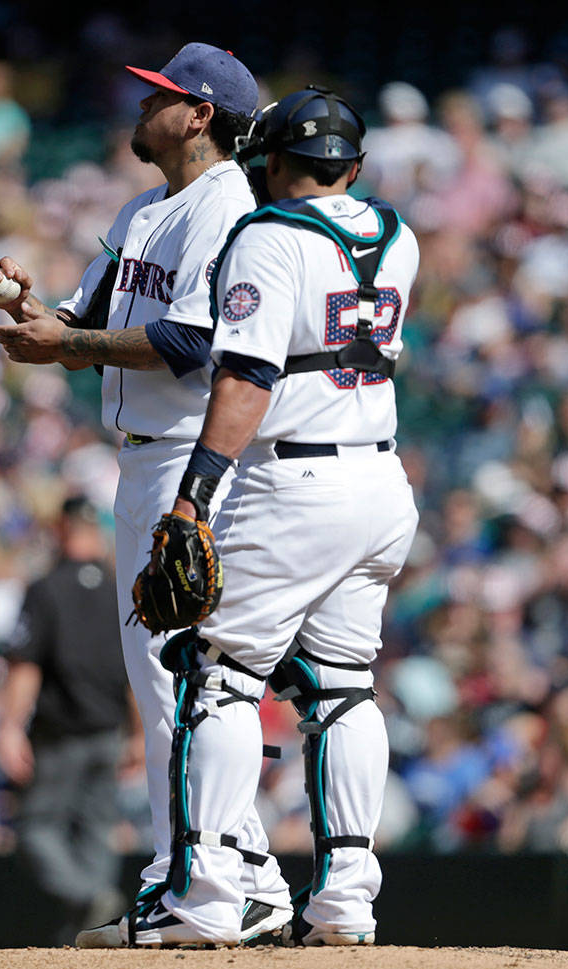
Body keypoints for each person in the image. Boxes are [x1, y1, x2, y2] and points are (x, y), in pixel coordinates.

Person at [0, 42, 293, 947]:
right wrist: (34, 315)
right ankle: (242, 871)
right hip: (142, 458)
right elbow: (89, 319)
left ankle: (188, 876)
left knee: (179, 684)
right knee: (167, 687)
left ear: (198, 115)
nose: (142, 104)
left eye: (160, 95)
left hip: (188, 460)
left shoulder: (226, 204)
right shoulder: (145, 206)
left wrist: (65, 347)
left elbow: (193, 341)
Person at [132, 87, 420, 946]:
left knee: (215, 674)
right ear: (355, 167)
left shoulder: (266, 234)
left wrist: (194, 495)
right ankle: (345, 903)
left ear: (270, 162)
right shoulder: (399, 234)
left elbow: (246, 377)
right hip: (381, 478)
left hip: (295, 485)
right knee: (342, 687)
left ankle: (207, 894)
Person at [0, 495, 134, 942]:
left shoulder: (47, 588)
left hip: (61, 734)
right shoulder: (121, 587)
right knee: (96, 828)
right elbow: (137, 668)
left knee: (37, 828)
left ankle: (88, 899)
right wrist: (138, 731)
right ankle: (95, 922)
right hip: (109, 730)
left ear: (61, 529)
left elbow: (25, 665)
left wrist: (10, 727)